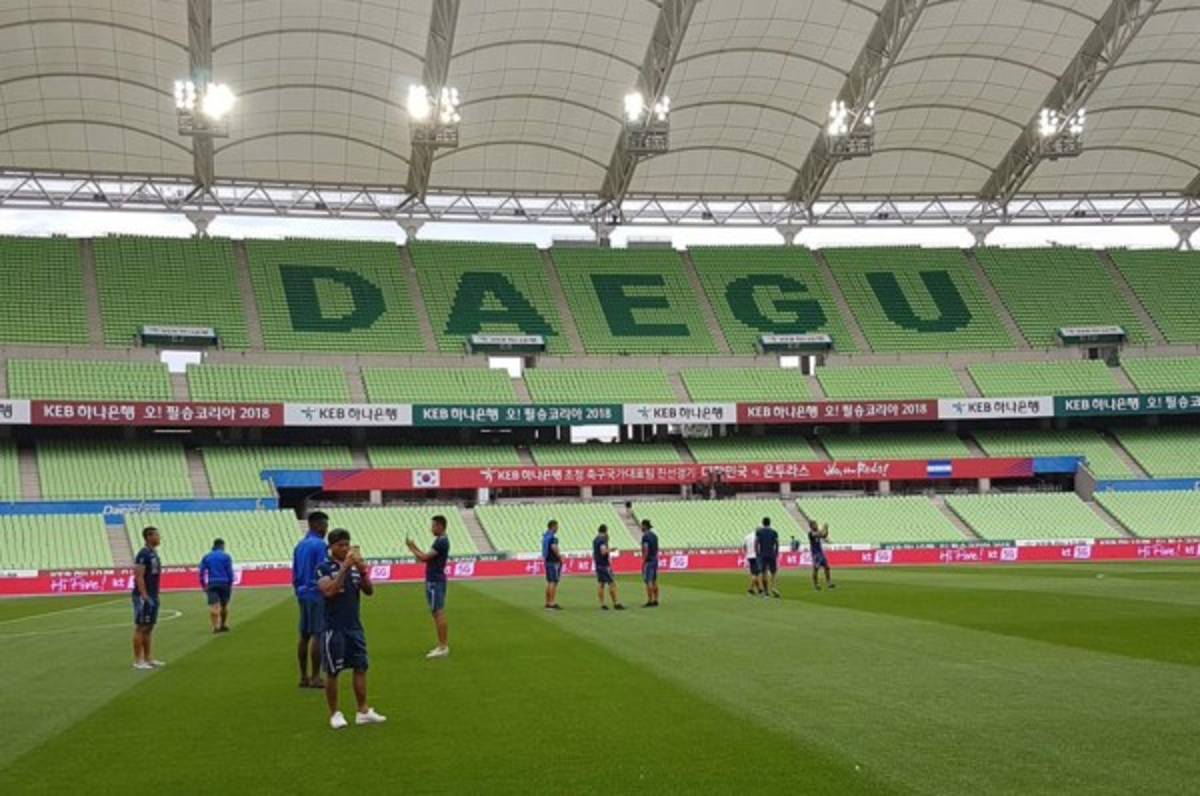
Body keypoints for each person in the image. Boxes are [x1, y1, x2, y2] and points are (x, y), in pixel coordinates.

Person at [317, 529, 385, 730]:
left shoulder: (355, 567)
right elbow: (329, 591)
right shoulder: (323, 568)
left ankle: (363, 711)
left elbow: (369, 591)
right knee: (333, 671)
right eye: (340, 545)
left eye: (347, 545)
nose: (345, 549)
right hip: (333, 627)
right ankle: (334, 713)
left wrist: (363, 570)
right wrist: (344, 568)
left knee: (361, 666)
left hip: (354, 626)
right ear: (331, 547)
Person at [292, 510, 329, 688]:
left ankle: (303, 676)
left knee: (304, 635)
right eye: (325, 525)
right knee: (318, 634)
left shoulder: (300, 545)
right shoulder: (320, 545)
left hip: (302, 592)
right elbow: (323, 570)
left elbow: (294, 572)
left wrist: (299, 591)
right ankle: (315, 676)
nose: (326, 529)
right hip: (316, 592)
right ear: (318, 525)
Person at [407, 514, 451, 658]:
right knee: (437, 612)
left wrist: (412, 548)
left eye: (433, 526)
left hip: (435, 581)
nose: (431, 528)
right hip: (437, 579)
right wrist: (415, 549)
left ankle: (443, 646)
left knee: (438, 612)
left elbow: (424, 558)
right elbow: (426, 557)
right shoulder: (441, 541)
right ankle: (442, 645)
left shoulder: (441, 542)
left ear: (440, 526)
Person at [131, 526, 164, 670]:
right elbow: (139, 575)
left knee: (149, 627)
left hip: (153, 594)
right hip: (144, 596)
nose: (159, 537)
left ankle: (148, 658)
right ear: (149, 537)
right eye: (156, 535)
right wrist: (144, 594)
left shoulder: (153, 553)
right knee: (141, 627)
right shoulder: (143, 554)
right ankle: (138, 660)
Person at [199, 538, 234, 633]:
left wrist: (203, 585)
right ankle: (223, 624)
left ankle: (215, 627)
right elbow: (230, 572)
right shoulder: (226, 556)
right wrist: (230, 583)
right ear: (222, 546)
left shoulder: (207, 557)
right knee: (224, 605)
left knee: (214, 606)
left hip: (212, 583)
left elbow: (201, 572)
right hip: (224, 583)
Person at [592, 524, 624, 610]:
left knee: (601, 584)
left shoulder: (595, 539)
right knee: (612, 583)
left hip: (598, 564)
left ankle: (602, 604)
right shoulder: (602, 540)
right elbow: (603, 551)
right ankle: (616, 603)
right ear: (605, 531)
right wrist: (611, 550)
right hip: (604, 564)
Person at [755, 517, 781, 598]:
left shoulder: (759, 532)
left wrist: (757, 553)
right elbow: (777, 543)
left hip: (763, 554)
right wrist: (776, 552)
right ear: (770, 523)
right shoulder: (774, 532)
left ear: (763, 523)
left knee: (764, 572)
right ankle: (773, 587)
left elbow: (756, 543)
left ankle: (766, 592)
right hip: (771, 554)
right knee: (774, 572)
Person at [542, 519, 563, 610]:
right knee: (553, 582)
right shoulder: (552, 538)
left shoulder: (545, 536)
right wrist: (559, 556)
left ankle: (547, 602)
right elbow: (554, 547)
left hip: (547, 560)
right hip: (553, 561)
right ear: (553, 526)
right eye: (557, 526)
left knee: (550, 582)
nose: (558, 528)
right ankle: (552, 602)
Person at [808, 520, 835, 591]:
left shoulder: (817, 532)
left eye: (816, 524)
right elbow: (819, 534)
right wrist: (824, 528)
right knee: (816, 569)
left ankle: (829, 583)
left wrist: (826, 529)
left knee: (827, 567)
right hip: (815, 554)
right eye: (815, 525)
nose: (816, 525)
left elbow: (824, 535)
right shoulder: (810, 533)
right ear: (811, 526)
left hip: (821, 552)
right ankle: (816, 584)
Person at [640, 518, 660, 607]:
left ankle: (650, 600)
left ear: (644, 526)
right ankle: (656, 599)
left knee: (648, 581)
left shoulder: (645, 536)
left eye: (642, 525)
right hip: (655, 559)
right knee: (654, 580)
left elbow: (646, 549)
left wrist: (644, 561)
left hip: (649, 560)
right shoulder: (654, 536)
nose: (641, 527)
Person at [744, 528, 761, 595]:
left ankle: (759, 589)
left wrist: (747, 554)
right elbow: (759, 547)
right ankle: (750, 589)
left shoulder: (747, 536)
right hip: (756, 556)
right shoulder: (758, 537)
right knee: (756, 574)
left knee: (754, 573)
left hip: (749, 557)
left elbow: (744, 547)